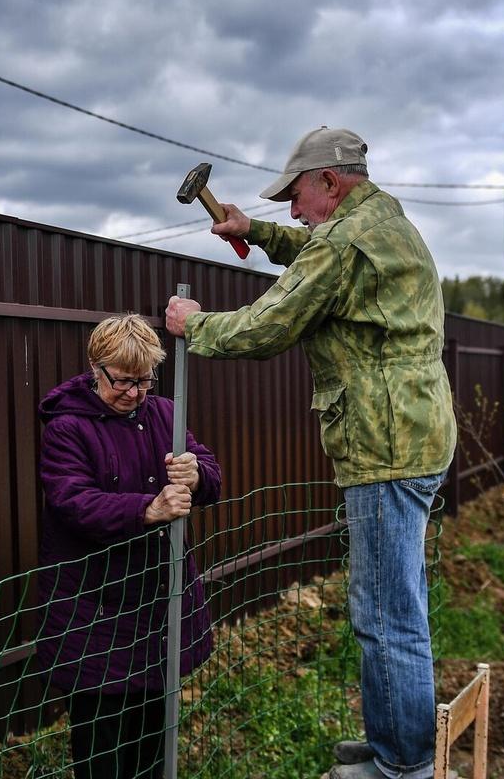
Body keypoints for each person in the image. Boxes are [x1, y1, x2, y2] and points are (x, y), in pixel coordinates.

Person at [164, 127, 455, 779]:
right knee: (391, 607)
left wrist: (196, 326)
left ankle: (403, 766)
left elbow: (271, 324)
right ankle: (392, 745)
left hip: (385, 448)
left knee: (385, 616)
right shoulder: (378, 219)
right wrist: (257, 231)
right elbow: (317, 250)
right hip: (412, 437)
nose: (290, 211)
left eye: (295, 196)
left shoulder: (347, 242)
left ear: (330, 181)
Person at [34, 313, 221, 779]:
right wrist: (148, 509)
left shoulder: (163, 413)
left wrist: (197, 474)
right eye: (122, 381)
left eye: (144, 381)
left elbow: (207, 466)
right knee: (102, 750)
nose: (134, 393)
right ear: (96, 369)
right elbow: (71, 500)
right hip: (94, 612)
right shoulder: (66, 428)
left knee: (153, 743)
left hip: (157, 608)